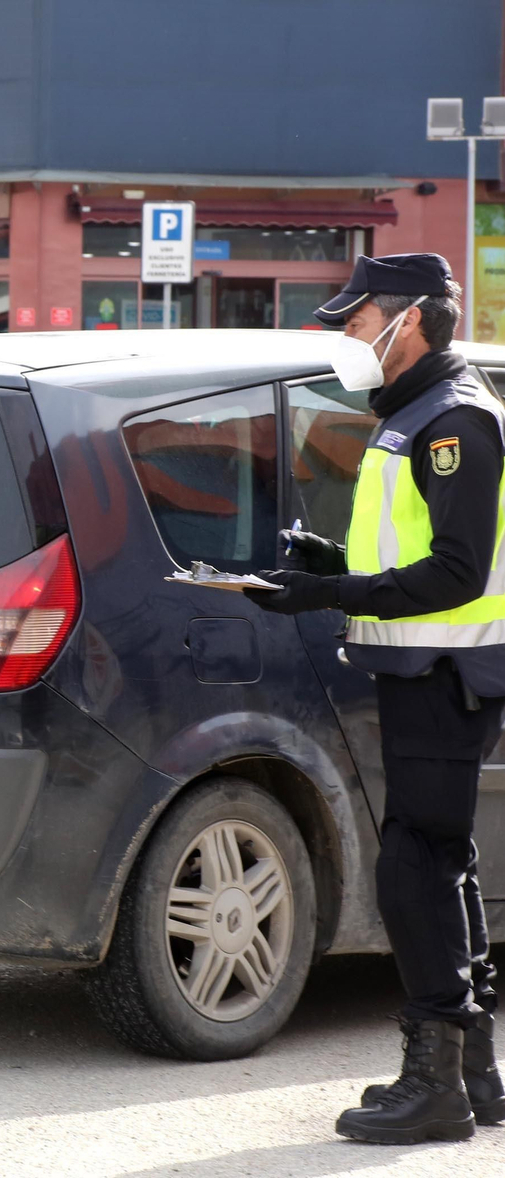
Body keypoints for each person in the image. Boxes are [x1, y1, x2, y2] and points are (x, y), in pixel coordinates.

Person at [244, 253, 505, 1145]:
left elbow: (457, 572)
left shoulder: (455, 421)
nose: (348, 339)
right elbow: (415, 551)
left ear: (411, 320)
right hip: (425, 668)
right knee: (440, 859)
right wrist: (337, 567)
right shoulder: (416, 413)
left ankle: (434, 1084)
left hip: (447, 670)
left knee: (415, 867)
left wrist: (330, 594)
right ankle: (474, 1073)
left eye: (356, 323)